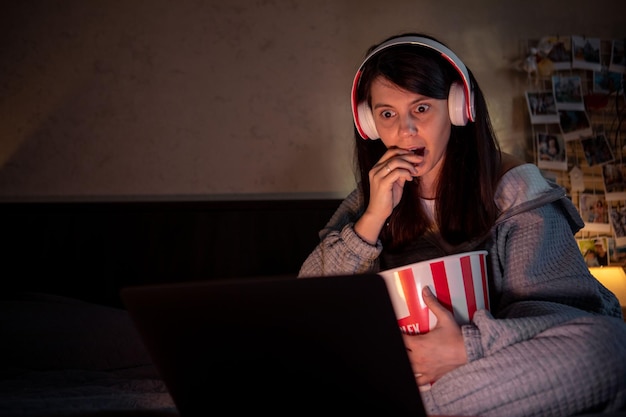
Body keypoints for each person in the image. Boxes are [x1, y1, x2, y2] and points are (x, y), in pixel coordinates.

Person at [298, 33, 626, 417]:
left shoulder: (514, 188)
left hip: (490, 372)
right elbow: (310, 302)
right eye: (387, 114)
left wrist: (465, 349)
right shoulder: (371, 198)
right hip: (405, 374)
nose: (405, 130)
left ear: (458, 107)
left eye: (421, 109)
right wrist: (371, 220)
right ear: (370, 123)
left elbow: (558, 316)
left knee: (611, 348)